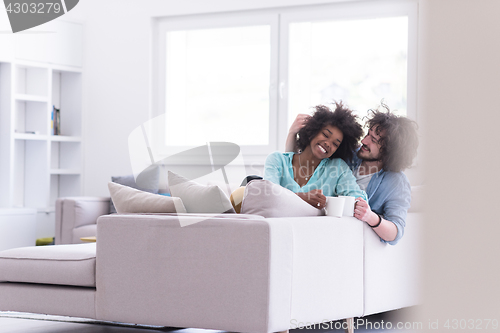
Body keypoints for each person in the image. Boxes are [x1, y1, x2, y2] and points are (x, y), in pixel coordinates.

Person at [286, 103, 419, 245]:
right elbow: (298, 167)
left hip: (343, 237)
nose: (364, 141)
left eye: (373, 140)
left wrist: (370, 217)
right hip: (315, 222)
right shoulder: (349, 154)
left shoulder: (397, 182)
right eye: (368, 133)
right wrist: (292, 133)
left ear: (389, 153)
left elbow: (395, 232)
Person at [265, 102, 368, 209]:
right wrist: (302, 197)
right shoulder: (277, 160)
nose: (328, 144)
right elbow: (267, 197)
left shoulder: (337, 167)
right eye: (325, 135)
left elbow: (358, 198)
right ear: (313, 131)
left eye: (335, 144)